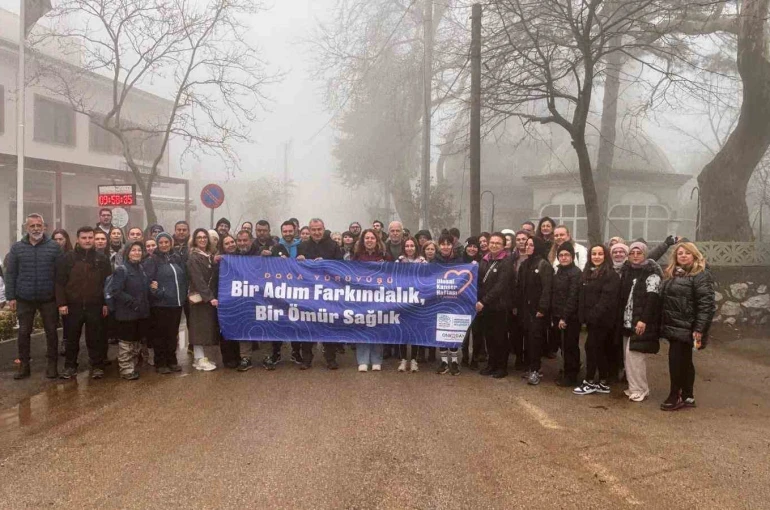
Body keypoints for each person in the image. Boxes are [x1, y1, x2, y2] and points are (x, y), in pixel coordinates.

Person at [659, 242, 715, 411]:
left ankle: (675, 395)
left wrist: (699, 329)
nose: (683, 255)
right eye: (680, 253)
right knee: (684, 361)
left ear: (695, 255)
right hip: (674, 324)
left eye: (687, 253)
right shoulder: (674, 274)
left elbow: (706, 305)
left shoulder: (700, 275)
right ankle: (688, 396)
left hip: (688, 327)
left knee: (676, 361)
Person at [6, 214, 62, 380]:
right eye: (32, 226)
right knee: (23, 332)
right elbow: (11, 273)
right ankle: (24, 365)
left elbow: (60, 275)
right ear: (26, 228)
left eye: (39, 225)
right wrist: (11, 297)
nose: (36, 229)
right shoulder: (17, 248)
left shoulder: (54, 247)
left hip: (48, 298)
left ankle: (52, 365)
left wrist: (60, 298)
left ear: (44, 227)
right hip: (24, 297)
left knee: (51, 332)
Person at [56, 226, 112, 380]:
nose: (87, 240)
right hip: (72, 306)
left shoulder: (102, 259)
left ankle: (97, 366)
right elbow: (60, 283)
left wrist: (106, 303)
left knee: (95, 338)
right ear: (78, 240)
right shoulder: (67, 258)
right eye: (84, 238)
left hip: (96, 306)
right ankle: (70, 366)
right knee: (72, 338)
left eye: (90, 237)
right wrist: (61, 303)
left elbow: (108, 283)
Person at [617, 241, 663, 403]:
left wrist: (644, 320)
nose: (635, 256)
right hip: (627, 320)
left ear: (645, 254)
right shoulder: (627, 271)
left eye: (639, 253)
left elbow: (652, 298)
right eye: (632, 253)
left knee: (635, 356)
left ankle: (641, 389)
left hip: (640, 321)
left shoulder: (652, 273)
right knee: (627, 356)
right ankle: (633, 386)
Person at [296, 218, 344, 370]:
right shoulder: (302, 246)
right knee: (307, 325)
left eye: (319, 229)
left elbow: (341, 266)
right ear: (309, 231)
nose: (316, 232)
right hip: (309, 292)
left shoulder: (333, 245)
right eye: (313, 229)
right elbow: (296, 270)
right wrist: (299, 260)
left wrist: (326, 263)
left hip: (328, 292)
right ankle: (307, 359)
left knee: (328, 324)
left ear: (323, 229)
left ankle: (330, 358)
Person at [574, 245, 621, 395]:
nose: (597, 256)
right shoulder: (587, 272)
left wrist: (593, 316)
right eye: (594, 254)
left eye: (600, 254)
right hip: (591, 319)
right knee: (598, 349)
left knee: (591, 347)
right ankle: (602, 380)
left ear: (606, 256)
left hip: (602, 320)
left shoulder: (610, 275)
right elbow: (582, 296)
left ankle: (589, 381)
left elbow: (606, 300)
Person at [144, 232, 187, 374]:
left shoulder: (176, 258)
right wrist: (158, 293)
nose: (164, 245)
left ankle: (172, 360)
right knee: (160, 335)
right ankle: (160, 362)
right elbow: (147, 282)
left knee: (172, 334)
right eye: (161, 242)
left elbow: (183, 277)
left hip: (176, 303)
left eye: (166, 242)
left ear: (171, 243)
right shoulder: (152, 260)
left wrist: (183, 294)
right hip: (160, 304)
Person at [351, 229, 391, 372]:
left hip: (380, 296)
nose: (369, 240)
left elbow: (393, 274)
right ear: (363, 240)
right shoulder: (356, 256)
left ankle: (376, 360)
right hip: (361, 296)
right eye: (366, 238)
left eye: (372, 238)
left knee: (377, 327)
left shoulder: (385, 256)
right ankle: (362, 360)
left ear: (377, 240)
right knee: (362, 326)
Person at [110, 241, 151, 380]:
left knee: (136, 342)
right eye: (133, 250)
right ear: (127, 253)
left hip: (140, 313)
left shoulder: (141, 269)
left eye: (139, 250)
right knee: (126, 343)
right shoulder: (122, 270)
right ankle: (126, 369)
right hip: (126, 314)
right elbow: (116, 291)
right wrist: (132, 302)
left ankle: (132, 366)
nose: (137, 253)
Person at [477, 233, 516, 378]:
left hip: (500, 306)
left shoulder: (506, 262)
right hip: (486, 307)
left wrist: (483, 301)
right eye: (492, 242)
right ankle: (491, 364)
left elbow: (501, 286)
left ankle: (501, 367)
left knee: (500, 337)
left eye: (497, 243)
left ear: (503, 245)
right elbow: (479, 282)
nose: (494, 245)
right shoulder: (484, 260)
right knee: (489, 337)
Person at [517, 236, 553, 386]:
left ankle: (535, 370)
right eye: (526, 245)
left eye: (531, 245)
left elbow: (547, 288)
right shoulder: (524, 264)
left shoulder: (543, 264)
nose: (528, 247)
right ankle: (529, 367)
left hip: (537, 310)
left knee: (535, 340)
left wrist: (543, 308)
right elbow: (519, 287)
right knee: (527, 338)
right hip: (525, 309)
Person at [187, 228, 220, 371]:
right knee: (198, 327)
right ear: (194, 240)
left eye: (204, 237)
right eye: (199, 237)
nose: (202, 240)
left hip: (207, 297)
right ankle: (199, 358)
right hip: (200, 297)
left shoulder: (208, 255)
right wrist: (209, 297)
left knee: (205, 327)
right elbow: (198, 280)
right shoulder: (193, 257)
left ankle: (200, 357)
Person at [550, 243, 582, 387]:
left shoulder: (575, 273)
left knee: (570, 346)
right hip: (558, 314)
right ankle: (567, 369)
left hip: (570, 317)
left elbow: (573, 297)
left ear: (572, 257)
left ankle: (571, 375)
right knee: (563, 346)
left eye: (566, 255)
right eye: (561, 255)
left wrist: (565, 317)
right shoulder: (559, 271)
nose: (563, 258)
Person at [395, 237, 425, 372]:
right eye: (407, 246)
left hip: (417, 301)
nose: (409, 248)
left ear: (416, 247)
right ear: (404, 247)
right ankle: (403, 360)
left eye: (412, 245)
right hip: (402, 300)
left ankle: (414, 360)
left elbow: (427, 279)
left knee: (414, 331)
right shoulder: (398, 261)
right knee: (402, 331)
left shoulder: (423, 262)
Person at [52, 229, 73, 355]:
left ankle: (66, 342)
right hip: (50, 292)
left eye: (61, 239)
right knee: (52, 323)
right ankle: (52, 347)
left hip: (66, 292)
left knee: (67, 321)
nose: (58, 242)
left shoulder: (70, 255)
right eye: (56, 239)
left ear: (66, 240)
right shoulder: (48, 254)